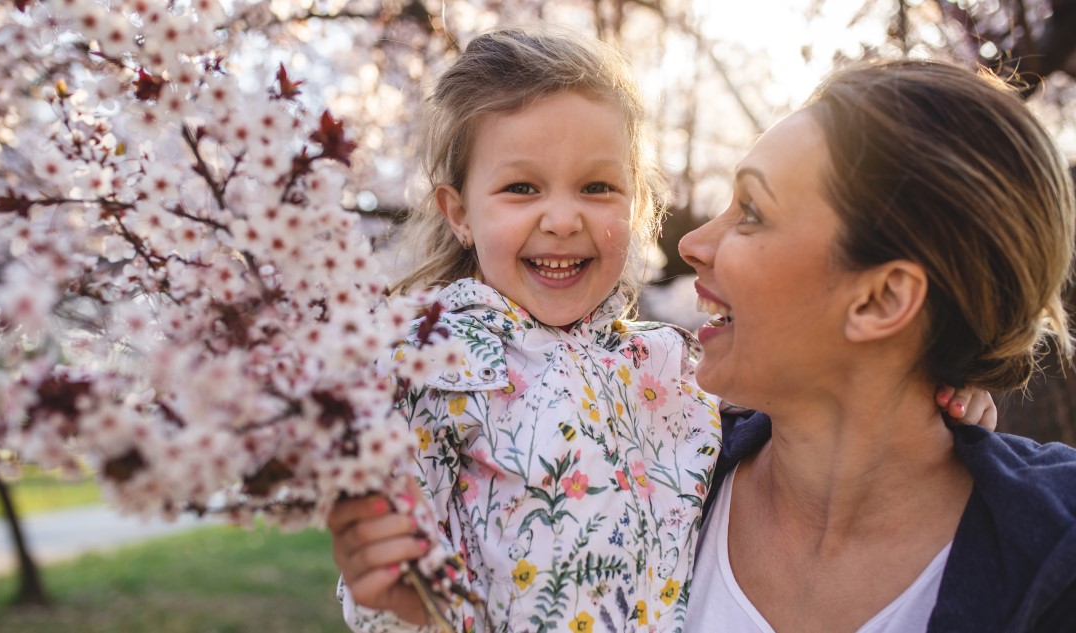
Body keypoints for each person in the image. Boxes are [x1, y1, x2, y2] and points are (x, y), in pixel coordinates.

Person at [326, 30, 996, 633]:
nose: (562, 218)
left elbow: (811, 391)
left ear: (638, 202)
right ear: (458, 212)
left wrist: (923, 391)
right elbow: (390, 569)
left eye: (596, 187)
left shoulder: (669, 363)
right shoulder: (431, 358)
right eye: (523, 189)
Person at [678, 59, 1076, 633]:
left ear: (883, 300)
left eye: (752, 213)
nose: (693, 244)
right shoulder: (650, 468)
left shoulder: (1055, 560)